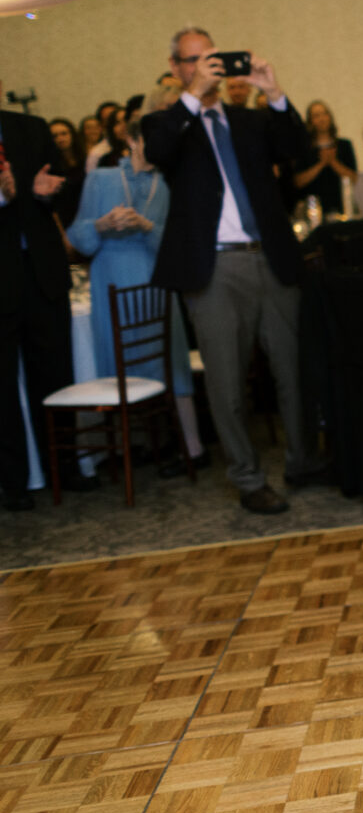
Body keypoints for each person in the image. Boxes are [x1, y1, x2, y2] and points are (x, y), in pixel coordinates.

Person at [144, 26, 320, 515]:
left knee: (292, 371)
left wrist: (275, 92)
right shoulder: (166, 123)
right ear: (178, 67)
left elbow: (296, 147)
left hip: (271, 256)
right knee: (227, 383)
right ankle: (247, 478)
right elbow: (157, 153)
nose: (206, 67)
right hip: (215, 267)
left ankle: (303, 460)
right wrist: (192, 97)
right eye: (193, 61)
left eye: (211, 58)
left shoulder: (247, 121)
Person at [66, 112, 207, 474]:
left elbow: (180, 244)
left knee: (170, 359)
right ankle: (139, 446)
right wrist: (101, 223)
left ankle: (192, 447)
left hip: (156, 277)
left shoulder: (168, 183)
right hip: (110, 277)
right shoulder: (100, 178)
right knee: (119, 363)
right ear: (131, 141)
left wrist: (146, 226)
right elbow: (77, 237)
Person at [1, 84, 86, 511]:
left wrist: (46, 190)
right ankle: (12, 484)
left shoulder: (31, 128)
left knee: (55, 377)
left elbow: (66, 187)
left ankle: (64, 469)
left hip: (43, 274)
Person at [292, 101, 358, 216]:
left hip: (341, 207)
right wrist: (321, 164)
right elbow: (298, 181)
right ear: (310, 121)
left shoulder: (344, 145)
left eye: (324, 114)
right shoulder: (304, 148)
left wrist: (333, 162)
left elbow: (353, 178)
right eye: (316, 116)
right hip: (312, 210)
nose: (322, 119)